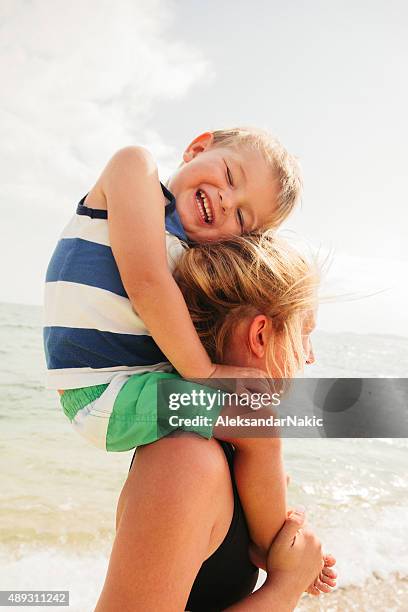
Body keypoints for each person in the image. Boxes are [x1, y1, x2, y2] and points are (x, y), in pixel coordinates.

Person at [43, 127, 303, 559]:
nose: (225, 201)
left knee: (254, 415)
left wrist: (302, 326)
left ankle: (257, 512)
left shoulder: (188, 252)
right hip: (105, 394)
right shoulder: (134, 168)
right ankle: (276, 548)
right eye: (229, 175)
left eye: (241, 218)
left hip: (132, 385)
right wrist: (208, 373)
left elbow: (271, 277)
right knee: (260, 426)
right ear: (198, 147)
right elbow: (146, 282)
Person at [95, 232, 336, 611]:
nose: (310, 357)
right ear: (260, 335)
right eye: (304, 335)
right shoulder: (185, 461)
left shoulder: (237, 453)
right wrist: (285, 588)